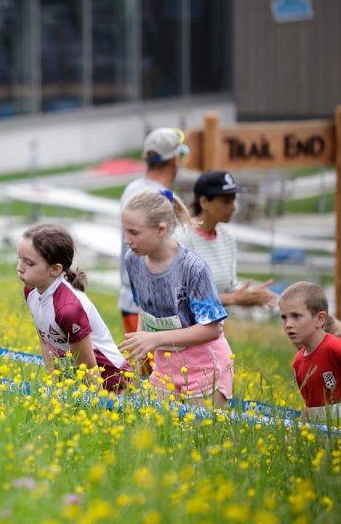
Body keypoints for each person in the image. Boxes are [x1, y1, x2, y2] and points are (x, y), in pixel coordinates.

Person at [118, 189, 234, 407]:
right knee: (159, 434)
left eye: (134, 232)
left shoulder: (193, 268)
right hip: (165, 363)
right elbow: (144, 307)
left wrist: (155, 339)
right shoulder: (133, 260)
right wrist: (140, 345)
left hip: (205, 366)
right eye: (125, 231)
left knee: (199, 438)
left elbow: (211, 329)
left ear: (161, 229)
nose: (126, 240)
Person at [18, 224, 130, 392]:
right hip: (78, 378)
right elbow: (46, 342)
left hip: (110, 381)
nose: (20, 267)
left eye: (29, 263)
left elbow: (89, 367)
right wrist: (55, 388)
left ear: (55, 269)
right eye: (19, 258)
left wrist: (97, 408)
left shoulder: (68, 309)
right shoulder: (31, 290)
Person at [176, 170, 278, 319]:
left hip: (213, 329)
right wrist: (235, 299)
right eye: (226, 201)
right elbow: (183, 296)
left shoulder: (227, 237)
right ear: (204, 202)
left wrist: (253, 295)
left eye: (233, 200)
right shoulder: (182, 239)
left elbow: (230, 286)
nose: (233, 207)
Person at [118, 127, 189, 337]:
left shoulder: (132, 190)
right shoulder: (161, 200)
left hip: (132, 302)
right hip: (158, 310)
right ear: (175, 161)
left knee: (146, 370)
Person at [278, 281, 341, 421]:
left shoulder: (334, 348)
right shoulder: (297, 363)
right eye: (284, 317)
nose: (288, 325)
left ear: (320, 319)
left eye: (296, 316)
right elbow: (310, 407)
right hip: (319, 437)